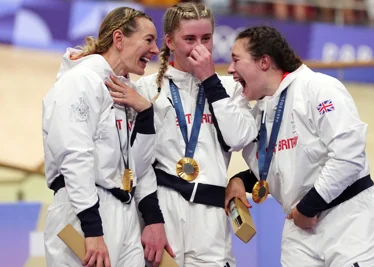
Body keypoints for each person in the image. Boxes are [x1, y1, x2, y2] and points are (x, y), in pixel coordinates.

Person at [224, 25, 374, 267]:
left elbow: (348, 155)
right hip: (299, 231)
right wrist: (240, 179)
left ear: (264, 62)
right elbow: (283, 161)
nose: (230, 69)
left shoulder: (319, 88)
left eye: (236, 60)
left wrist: (308, 207)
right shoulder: (261, 110)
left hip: (349, 223)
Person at [107, 3, 258, 267]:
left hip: (210, 220)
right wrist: (152, 218)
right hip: (163, 211)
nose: (199, 48)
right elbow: (135, 163)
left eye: (206, 38)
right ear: (169, 41)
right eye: (189, 39)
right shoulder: (145, 88)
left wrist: (209, 79)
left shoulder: (229, 88)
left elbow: (238, 139)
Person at [42, 7, 171, 267]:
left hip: (124, 210)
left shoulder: (129, 93)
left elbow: (138, 167)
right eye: (148, 40)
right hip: (82, 212)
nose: (156, 50)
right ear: (119, 39)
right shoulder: (80, 82)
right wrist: (93, 229)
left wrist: (145, 115)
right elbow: (74, 157)